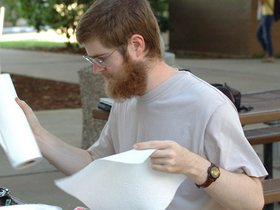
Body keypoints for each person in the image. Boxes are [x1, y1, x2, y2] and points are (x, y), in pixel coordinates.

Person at [17, 0, 267, 209]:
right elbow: (95, 164)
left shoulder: (208, 105)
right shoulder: (127, 97)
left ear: (136, 45)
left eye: (101, 58)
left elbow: (253, 200)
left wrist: (195, 166)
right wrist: (38, 137)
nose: (95, 69)